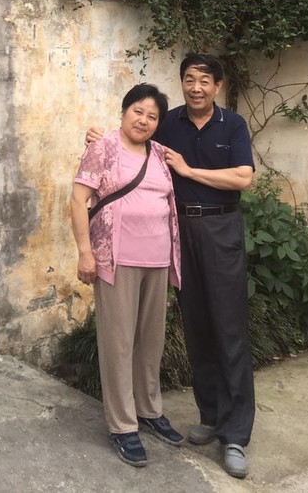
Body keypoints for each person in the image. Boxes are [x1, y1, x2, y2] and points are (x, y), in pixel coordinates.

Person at [87, 54, 255, 479]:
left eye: (204, 80)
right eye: (189, 79)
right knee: (196, 326)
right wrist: (97, 136)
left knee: (229, 328)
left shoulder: (232, 125)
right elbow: (132, 136)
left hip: (220, 229)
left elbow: (243, 178)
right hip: (177, 233)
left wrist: (188, 170)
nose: (196, 87)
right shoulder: (169, 123)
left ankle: (235, 434)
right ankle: (210, 416)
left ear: (218, 86)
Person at [71, 83, 183, 468]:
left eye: (152, 116)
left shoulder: (160, 154)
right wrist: (85, 252)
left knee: (150, 340)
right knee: (118, 342)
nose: (144, 120)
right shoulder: (103, 147)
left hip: (158, 259)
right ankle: (122, 425)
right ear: (123, 112)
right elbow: (78, 200)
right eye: (138, 111)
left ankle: (149, 410)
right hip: (117, 259)